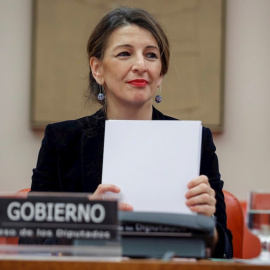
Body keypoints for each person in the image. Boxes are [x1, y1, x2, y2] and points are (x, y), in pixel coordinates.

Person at [31, 7, 232, 258]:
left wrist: (207, 224)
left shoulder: (195, 141)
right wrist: (85, 221)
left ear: (161, 74)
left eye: (151, 55)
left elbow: (225, 249)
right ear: (97, 69)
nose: (140, 65)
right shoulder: (61, 140)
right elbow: (31, 240)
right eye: (125, 53)